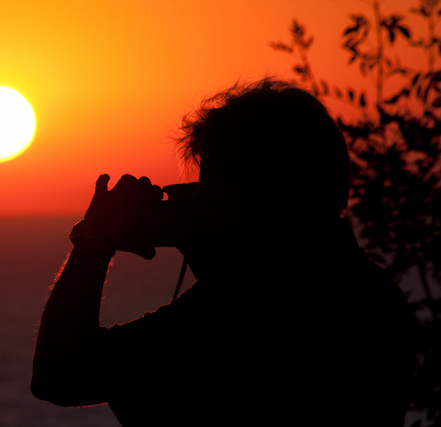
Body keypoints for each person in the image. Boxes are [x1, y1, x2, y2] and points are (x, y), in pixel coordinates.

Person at [31, 78, 414, 426]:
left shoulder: (247, 302)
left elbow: (61, 375)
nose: (196, 201)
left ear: (259, 193)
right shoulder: (371, 291)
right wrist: (209, 250)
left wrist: (95, 243)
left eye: (209, 188)